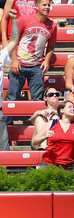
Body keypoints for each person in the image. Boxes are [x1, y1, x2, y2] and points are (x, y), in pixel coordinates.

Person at [7, 0, 56, 103]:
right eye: (44, 5)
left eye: (49, 5)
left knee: (37, 99)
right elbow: (12, 41)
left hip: (37, 66)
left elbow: (51, 46)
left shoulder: (52, 25)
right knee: (12, 97)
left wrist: (46, 60)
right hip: (20, 64)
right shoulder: (24, 20)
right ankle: (7, 119)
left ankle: (35, 119)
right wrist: (14, 60)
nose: (47, 7)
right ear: (36, 6)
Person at [0, 8, 20, 150]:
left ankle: (4, 172)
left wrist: (13, 21)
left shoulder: (1, 56)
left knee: (3, 148)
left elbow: (14, 40)